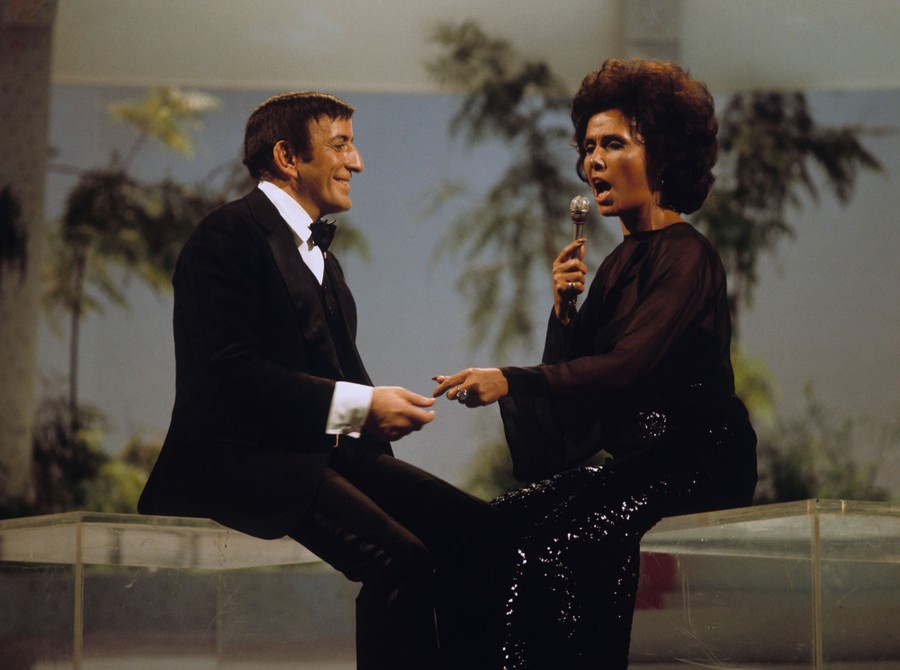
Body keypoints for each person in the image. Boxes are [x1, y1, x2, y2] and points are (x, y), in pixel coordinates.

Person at [138, 91, 499, 670]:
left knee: (478, 532)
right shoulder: (224, 236)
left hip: (320, 455)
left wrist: (378, 413)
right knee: (400, 559)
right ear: (287, 156)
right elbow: (229, 375)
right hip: (248, 458)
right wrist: (364, 406)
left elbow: (334, 374)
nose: (357, 162)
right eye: (341, 145)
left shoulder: (323, 259)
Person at [432, 59, 758, 669]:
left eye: (613, 144)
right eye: (588, 148)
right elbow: (577, 388)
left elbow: (627, 368)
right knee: (490, 532)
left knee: (554, 548)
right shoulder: (617, 264)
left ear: (660, 155)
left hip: (696, 463)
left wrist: (509, 380)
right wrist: (563, 313)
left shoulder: (688, 256)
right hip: (642, 467)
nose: (593, 162)